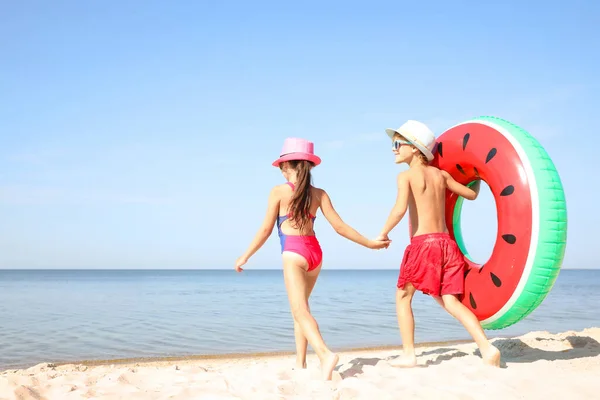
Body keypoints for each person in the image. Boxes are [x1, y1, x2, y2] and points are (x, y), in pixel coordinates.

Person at [235, 137, 390, 380]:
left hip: (294, 252)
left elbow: (265, 230)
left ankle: (325, 354)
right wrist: (369, 243)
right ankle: (300, 362)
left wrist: (245, 256)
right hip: (314, 253)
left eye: (282, 167)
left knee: (299, 311)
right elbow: (340, 227)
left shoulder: (278, 192)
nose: (281, 171)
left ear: (289, 165)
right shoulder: (319, 194)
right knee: (302, 310)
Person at [376, 120, 501, 368]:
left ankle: (409, 354)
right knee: (451, 301)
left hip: (423, 245)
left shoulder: (406, 176)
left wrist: (383, 233)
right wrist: (475, 172)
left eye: (397, 143)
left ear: (414, 148)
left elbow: (400, 209)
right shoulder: (441, 175)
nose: (393, 148)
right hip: (447, 244)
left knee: (402, 297)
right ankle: (487, 348)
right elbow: (472, 194)